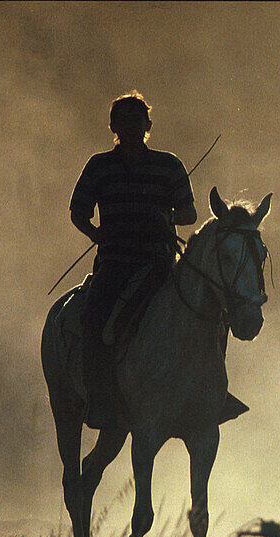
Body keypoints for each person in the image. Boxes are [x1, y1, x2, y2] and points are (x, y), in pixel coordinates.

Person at [69, 91, 197, 429]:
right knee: (94, 314)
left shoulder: (169, 165)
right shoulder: (99, 166)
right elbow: (78, 212)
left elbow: (189, 213)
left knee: (204, 311)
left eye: (136, 121)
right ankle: (99, 397)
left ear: (147, 125)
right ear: (113, 125)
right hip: (116, 263)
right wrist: (96, 235)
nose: (129, 127)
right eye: (123, 121)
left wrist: (166, 218)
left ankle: (208, 394)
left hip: (159, 262)